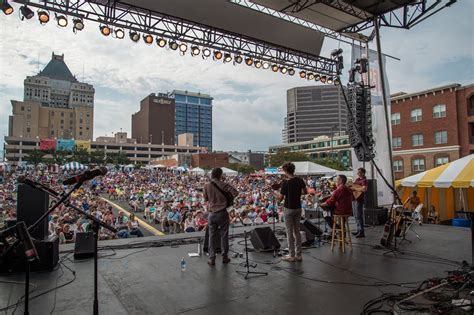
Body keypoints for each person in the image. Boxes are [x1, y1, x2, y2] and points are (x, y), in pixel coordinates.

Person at [203, 168, 238, 266]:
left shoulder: (206, 185)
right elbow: (236, 193)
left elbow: (205, 198)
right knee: (224, 236)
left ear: (212, 175)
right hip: (222, 213)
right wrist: (228, 197)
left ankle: (212, 258)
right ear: (220, 175)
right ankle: (225, 257)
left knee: (212, 236)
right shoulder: (224, 185)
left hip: (212, 213)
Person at [278, 162, 307, 262]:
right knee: (297, 231)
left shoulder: (286, 182)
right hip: (298, 208)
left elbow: (280, 199)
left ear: (285, 171)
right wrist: (297, 193)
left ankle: (291, 255)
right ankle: (299, 255)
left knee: (289, 232)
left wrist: (274, 193)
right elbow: (305, 192)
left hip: (289, 208)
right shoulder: (299, 180)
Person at [351, 168, 368, 238]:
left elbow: (364, 189)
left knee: (359, 216)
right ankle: (358, 230)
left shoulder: (364, 180)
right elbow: (353, 186)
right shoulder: (357, 180)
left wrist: (355, 189)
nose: (357, 173)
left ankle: (361, 232)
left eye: (359, 172)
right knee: (355, 215)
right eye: (357, 172)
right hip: (354, 199)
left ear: (363, 173)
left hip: (359, 200)